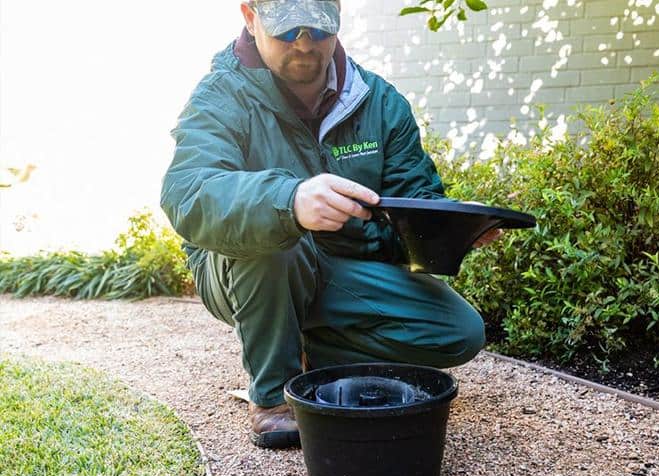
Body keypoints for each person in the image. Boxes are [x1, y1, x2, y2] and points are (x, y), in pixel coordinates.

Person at [160, 0, 501, 449]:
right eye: (287, 30)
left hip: (341, 269)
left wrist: (450, 232)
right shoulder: (221, 96)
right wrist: (290, 200)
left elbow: (413, 201)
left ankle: (301, 350)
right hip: (244, 268)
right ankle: (274, 397)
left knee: (460, 333)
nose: (304, 43)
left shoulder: (379, 102)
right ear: (249, 16)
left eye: (318, 30)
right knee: (276, 240)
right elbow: (186, 192)